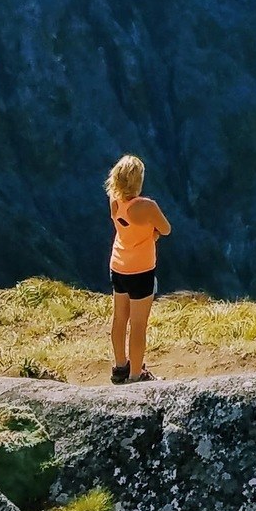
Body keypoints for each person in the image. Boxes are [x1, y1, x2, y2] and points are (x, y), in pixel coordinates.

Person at [106, 155, 171, 384]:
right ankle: (136, 376)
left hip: (118, 265)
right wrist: (151, 234)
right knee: (138, 324)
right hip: (141, 270)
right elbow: (165, 229)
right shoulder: (146, 206)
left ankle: (120, 367)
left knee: (119, 318)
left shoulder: (114, 199)